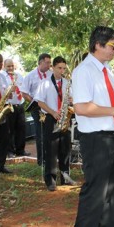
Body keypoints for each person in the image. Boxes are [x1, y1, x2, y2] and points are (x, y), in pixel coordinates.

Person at [70, 26, 114, 227]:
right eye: (112, 46)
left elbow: (110, 101)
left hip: (112, 135)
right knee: (95, 190)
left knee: (112, 190)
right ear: (98, 44)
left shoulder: (105, 70)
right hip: (95, 138)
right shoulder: (84, 71)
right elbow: (82, 108)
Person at [34, 56, 76, 191]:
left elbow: (73, 100)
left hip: (64, 118)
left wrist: (71, 100)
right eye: (59, 68)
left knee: (65, 149)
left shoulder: (67, 83)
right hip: (51, 118)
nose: (62, 71)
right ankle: (50, 179)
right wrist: (53, 112)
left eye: (64, 68)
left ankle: (65, 177)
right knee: (51, 151)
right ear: (52, 67)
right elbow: (40, 102)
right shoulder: (44, 83)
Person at [21, 53, 52, 166]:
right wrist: (35, 102)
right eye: (47, 62)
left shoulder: (51, 74)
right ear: (40, 62)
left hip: (50, 108)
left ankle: (50, 157)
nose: (49, 65)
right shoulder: (30, 76)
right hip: (37, 109)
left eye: (50, 62)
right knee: (40, 134)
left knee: (50, 132)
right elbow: (24, 93)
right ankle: (41, 160)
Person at [3, 59, 30, 158]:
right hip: (9, 106)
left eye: (12, 66)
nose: (10, 68)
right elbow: (1, 91)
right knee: (9, 130)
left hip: (20, 104)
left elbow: (23, 88)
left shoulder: (19, 76)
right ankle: (10, 151)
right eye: (8, 66)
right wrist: (10, 90)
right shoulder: (2, 76)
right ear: (4, 66)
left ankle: (20, 150)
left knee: (21, 129)